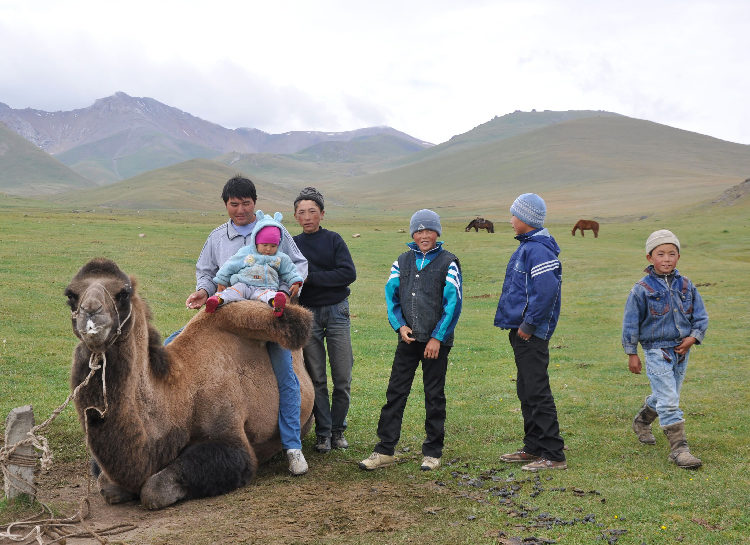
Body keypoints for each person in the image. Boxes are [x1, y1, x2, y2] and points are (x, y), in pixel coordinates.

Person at [171, 175, 310, 476]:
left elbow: (297, 264)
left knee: (286, 373)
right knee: (173, 346)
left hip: (265, 318)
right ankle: (172, 426)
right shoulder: (217, 237)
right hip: (224, 316)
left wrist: (288, 291)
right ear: (226, 205)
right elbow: (207, 273)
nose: (241, 210)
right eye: (234, 204)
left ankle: (293, 447)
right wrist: (203, 291)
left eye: (246, 204)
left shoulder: (276, 230)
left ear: (255, 204)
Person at [359, 209, 462, 472]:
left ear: (437, 233)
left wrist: (438, 337)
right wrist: (399, 326)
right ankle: (385, 450)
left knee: (434, 395)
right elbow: (391, 296)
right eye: (419, 230)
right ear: (412, 233)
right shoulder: (402, 261)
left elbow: (453, 303)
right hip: (407, 340)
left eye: (429, 230)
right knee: (395, 392)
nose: (424, 235)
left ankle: (432, 452)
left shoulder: (449, 262)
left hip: (435, 343)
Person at [622, 229, 708, 469]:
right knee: (669, 400)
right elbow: (630, 323)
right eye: (661, 253)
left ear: (678, 256)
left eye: (672, 253)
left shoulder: (687, 285)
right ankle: (679, 450)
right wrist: (632, 354)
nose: (667, 258)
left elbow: (700, 317)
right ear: (650, 257)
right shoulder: (641, 289)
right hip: (655, 350)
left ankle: (642, 421)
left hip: (682, 351)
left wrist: (693, 338)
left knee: (667, 395)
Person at [494, 193, 567, 471]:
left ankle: (553, 453)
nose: (511, 220)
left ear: (526, 219)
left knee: (536, 390)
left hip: (530, 333)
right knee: (526, 389)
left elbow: (546, 291)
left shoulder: (538, 250)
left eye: (514, 215)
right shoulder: (529, 247)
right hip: (522, 330)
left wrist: (528, 325)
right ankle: (534, 446)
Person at [292, 187, 357, 453]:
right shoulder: (292, 244)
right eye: (301, 212)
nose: (307, 217)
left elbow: (348, 273)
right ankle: (322, 433)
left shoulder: (334, 240)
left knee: (342, 376)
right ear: (295, 216)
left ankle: (338, 429)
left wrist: (311, 278)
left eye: (312, 212)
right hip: (308, 314)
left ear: (322, 214)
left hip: (337, 311)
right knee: (316, 377)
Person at [205, 211, 303, 317]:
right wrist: (221, 280)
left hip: (265, 288)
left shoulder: (280, 258)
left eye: (273, 246)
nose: (268, 249)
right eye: (265, 245)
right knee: (232, 292)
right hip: (243, 284)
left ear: (278, 244)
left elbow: (289, 270)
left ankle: (277, 304)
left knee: (269, 296)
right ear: (256, 241)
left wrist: (295, 281)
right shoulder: (245, 253)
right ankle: (217, 300)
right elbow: (230, 265)